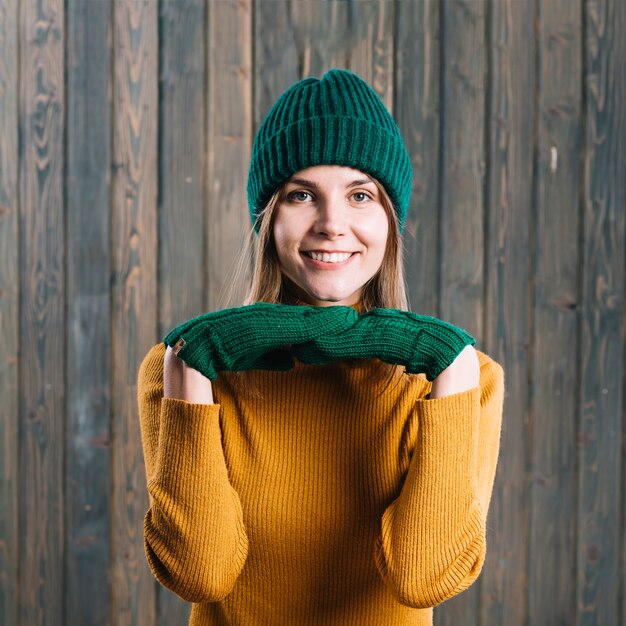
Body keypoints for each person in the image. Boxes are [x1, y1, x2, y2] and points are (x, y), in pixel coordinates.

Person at [137, 68, 504, 626]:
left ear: (389, 220)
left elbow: (423, 576)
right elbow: (198, 572)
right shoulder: (181, 370)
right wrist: (189, 368)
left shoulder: (467, 377)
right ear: (268, 218)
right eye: (301, 195)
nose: (333, 224)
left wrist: (450, 370)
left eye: (360, 194)